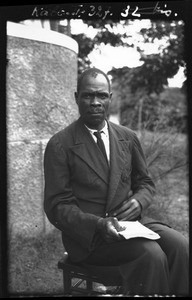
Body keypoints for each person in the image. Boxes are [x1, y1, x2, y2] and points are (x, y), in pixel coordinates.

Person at [44, 68, 189, 296]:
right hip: (90, 239)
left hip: (130, 226)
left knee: (181, 245)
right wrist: (98, 225)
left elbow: (145, 183)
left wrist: (140, 201)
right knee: (150, 254)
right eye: (88, 96)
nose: (95, 102)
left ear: (110, 99)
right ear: (76, 98)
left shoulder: (127, 137)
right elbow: (57, 206)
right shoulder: (61, 144)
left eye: (101, 96)